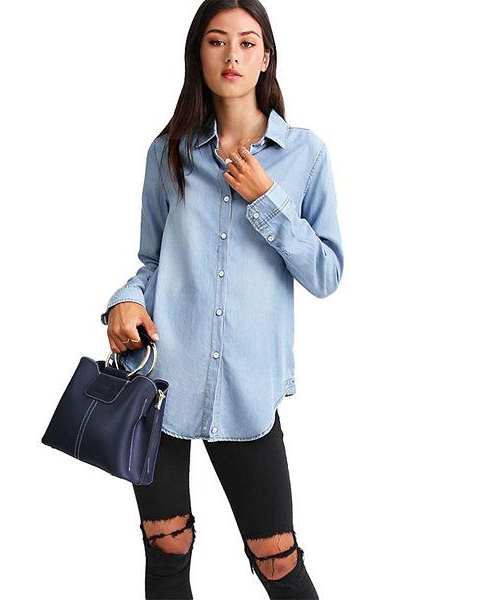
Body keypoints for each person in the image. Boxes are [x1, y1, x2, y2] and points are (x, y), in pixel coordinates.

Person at [101, 1, 344, 597]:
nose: (232, 55)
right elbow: (153, 261)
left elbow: (326, 273)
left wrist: (267, 199)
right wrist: (123, 303)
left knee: (277, 559)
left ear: (265, 58)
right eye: (216, 41)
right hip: (160, 383)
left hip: (246, 389)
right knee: (167, 545)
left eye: (246, 42)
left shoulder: (305, 155)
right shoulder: (168, 152)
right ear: (199, 55)